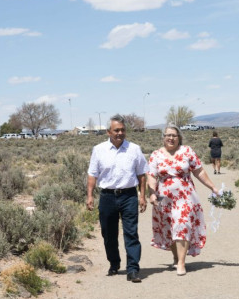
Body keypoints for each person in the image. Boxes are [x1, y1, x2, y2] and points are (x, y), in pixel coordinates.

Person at [147, 124, 218, 276]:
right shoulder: (156, 154)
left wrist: (212, 187)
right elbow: (151, 176)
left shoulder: (187, 151)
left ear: (179, 137)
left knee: (182, 223)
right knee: (169, 226)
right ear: (163, 137)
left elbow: (199, 171)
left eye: (174, 135)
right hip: (164, 197)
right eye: (168, 135)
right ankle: (176, 256)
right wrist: (152, 194)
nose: (171, 138)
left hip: (185, 195)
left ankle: (181, 262)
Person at [86, 115, 148, 283]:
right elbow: (92, 174)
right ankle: (114, 263)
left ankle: (133, 269)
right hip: (107, 196)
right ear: (108, 132)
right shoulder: (98, 149)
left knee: (131, 233)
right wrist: (90, 195)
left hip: (129, 195)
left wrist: (143, 196)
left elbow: (142, 174)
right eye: (116, 130)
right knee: (108, 234)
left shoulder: (134, 149)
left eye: (123, 130)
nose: (120, 133)